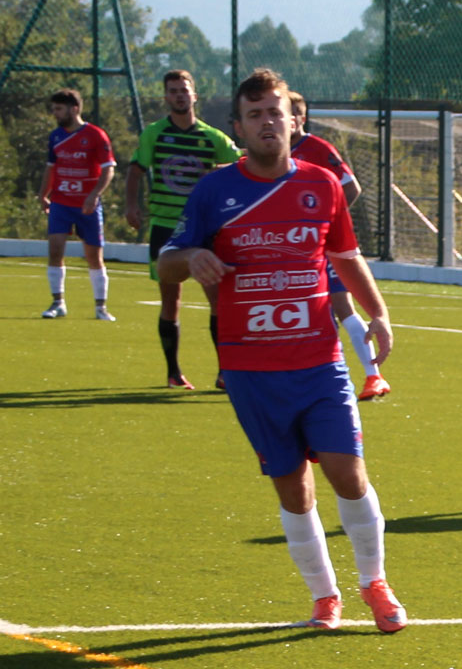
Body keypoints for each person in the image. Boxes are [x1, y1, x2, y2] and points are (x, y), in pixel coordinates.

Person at [158, 69, 407, 634]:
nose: (267, 122)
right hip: (250, 369)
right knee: (293, 486)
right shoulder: (213, 191)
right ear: (239, 127)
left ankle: (375, 583)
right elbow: (165, 262)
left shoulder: (320, 185)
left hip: (320, 362)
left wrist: (379, 313)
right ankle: (325, 597)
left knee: (348, 473)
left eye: (275, 112)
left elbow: (346, 257)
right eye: (255, 114)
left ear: (295, 121)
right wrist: (192, 258)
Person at [125, 69, 239, 390]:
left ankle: (224, 372)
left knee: (218, 299)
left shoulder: (212, 137)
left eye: (184, 90)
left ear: (194, 95)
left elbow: (242, 163)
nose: (179, 95)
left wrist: (216, 170)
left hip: (204, 229)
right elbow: (135, 170)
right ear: (166, 97)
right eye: (173, 90)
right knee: (171, 300)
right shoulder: (154, 134)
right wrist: (131, 205)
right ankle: (174, 373)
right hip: (166, 227)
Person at [290, 92, 389, 402]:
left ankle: (374, 376)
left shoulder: (317, 149)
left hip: (320, 244)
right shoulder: (274, 155)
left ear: (301, 118)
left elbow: (351, 186)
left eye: (291, 113)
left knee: (340, 304)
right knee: (309, 309)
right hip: (294, 248)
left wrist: (323, 222)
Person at [40, 88, 117, 322]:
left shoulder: (95, 135)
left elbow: (108, 169)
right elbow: (50, 168)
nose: (55, 114)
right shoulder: (56, 136)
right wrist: (43, 194)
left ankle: (101, 307)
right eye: (54, 109)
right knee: (55, 251)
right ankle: (57, 303)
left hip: (87, 205)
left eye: (59, 109)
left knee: (94, 256)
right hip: (61, 203)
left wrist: (94, 194)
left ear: (74, 109)